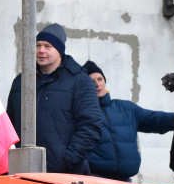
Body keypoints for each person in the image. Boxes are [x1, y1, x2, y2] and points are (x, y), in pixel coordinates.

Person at [6, 23, 102, 174]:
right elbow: (9, 124)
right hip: (23, 173)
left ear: (60, 51)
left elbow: (91, 126)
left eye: (47, 46)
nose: (41, 50)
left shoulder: (80, 81)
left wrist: (67, 160)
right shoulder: (21, 81)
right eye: (38, 45)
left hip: (64, 177)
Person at [82, 60, 174, 181]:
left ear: (105, 81)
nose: (97, 84)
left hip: (126, 182)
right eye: (91, 81)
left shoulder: (126, 108)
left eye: (100, 79)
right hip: (97, 182)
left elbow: (156, 119)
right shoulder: (82, 112)